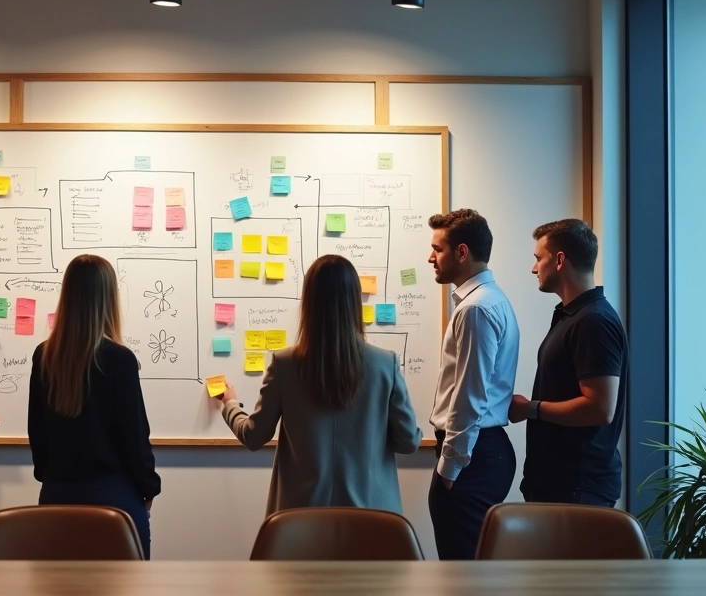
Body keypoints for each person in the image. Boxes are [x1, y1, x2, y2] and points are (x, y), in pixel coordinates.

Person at [215, 254, 422, 516]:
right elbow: (408, 443)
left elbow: (254, 436)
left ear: (309, 303)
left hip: (300, 520)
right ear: (354, 302)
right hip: (373, 519)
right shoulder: (385, 365)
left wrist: (229, 403)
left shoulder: (285, 364)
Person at [27, 254, 160, 559]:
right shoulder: (119, 359)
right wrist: (148, 486)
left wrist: (52, 477)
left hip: (56, 495)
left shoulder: (44, 355)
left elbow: (37, 431)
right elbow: (134, 435)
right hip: (113, 498)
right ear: (109, 297)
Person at [510, 219, 627, 507]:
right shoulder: (575, 317)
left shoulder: (593, 321)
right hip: (561, 486)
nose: (534, 268)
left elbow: (600, 408)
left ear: (560, 260)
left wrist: (530, 408)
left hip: (577, 490)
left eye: (539, 258)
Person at [426, 209, 520, 560]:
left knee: (461, 572)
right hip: (482, 452)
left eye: (438, 249)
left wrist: (450, 469)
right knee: (469, 567)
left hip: (472, 458)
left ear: (461, 252)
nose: (430, 257)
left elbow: (470, 396)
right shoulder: (489, 299)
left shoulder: (475, 309)